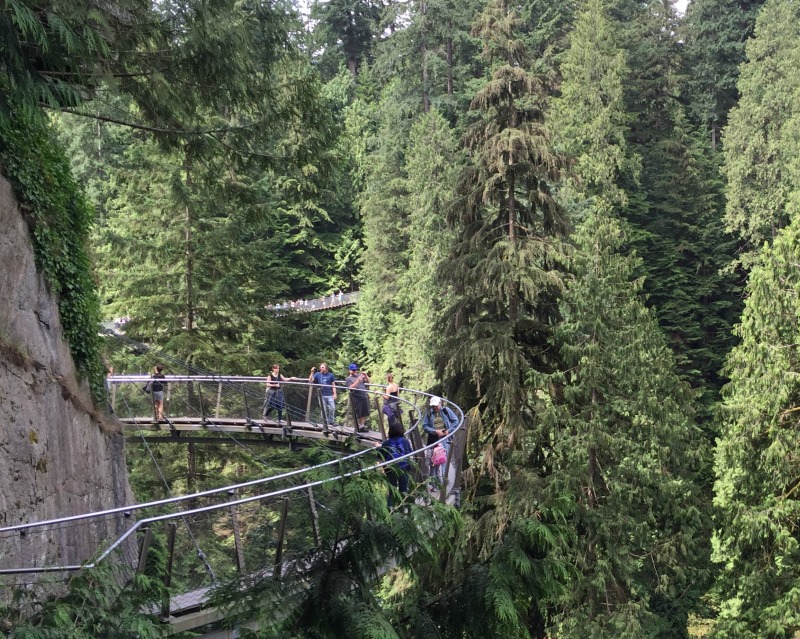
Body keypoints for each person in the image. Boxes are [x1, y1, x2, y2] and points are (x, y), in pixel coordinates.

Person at [422, 396, 458, 482]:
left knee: (443, 459)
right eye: (433, 406)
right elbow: (425, 426)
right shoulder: (429, 413)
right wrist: (435, 431)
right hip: (433, 440)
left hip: (445, 439)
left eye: (436, 406)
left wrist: (449, 431)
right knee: (434, 461)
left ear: (440, 404)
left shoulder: (446, 411)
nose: (435, 408)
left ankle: (444, 481)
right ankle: (435, 481)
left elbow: (455, 421)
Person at [380, 420, 414, 506]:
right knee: (403, 490)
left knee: (392, 490)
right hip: (404, 468)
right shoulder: (405, 441)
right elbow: (410, 453)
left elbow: (380, 455)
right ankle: (403, 509)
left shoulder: (386, 443)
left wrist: (378, 447)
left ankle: (390, 510)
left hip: (390, 469)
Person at [310, 362, 337, 429]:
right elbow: (310, 381)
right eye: (320, 367)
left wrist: (335, 393)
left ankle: (331, 421)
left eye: (322, 367)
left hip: (329, 394)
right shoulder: (318, 374)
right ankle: (325, 422)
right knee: (323, 408)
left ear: (326, 368)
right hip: (321, 394)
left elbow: (333, 385)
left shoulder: (331, 375)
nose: (321, 368)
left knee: (332, 408)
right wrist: (312, 372)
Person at [346, 363, 371, 432]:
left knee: (364, 413)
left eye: (356, 370)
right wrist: (358, 381)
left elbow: (369, 382)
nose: (355, 371)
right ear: (350, 370)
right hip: (356, 398)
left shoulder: (359, 375)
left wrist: (366, 376)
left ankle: (362, 426)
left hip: (364, 396)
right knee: (358, 413)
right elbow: (351, 387)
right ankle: (357, 428)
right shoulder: (348, 379)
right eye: (353, 370)